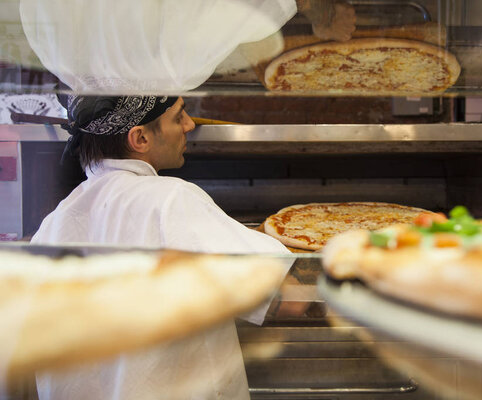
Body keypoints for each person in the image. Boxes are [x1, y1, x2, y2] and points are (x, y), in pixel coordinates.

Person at [31, 95, 292, 400]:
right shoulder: (169, 199)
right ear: (139, 138)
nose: (190, 125)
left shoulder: (54, 222)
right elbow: (285, 296)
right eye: (179, 116)